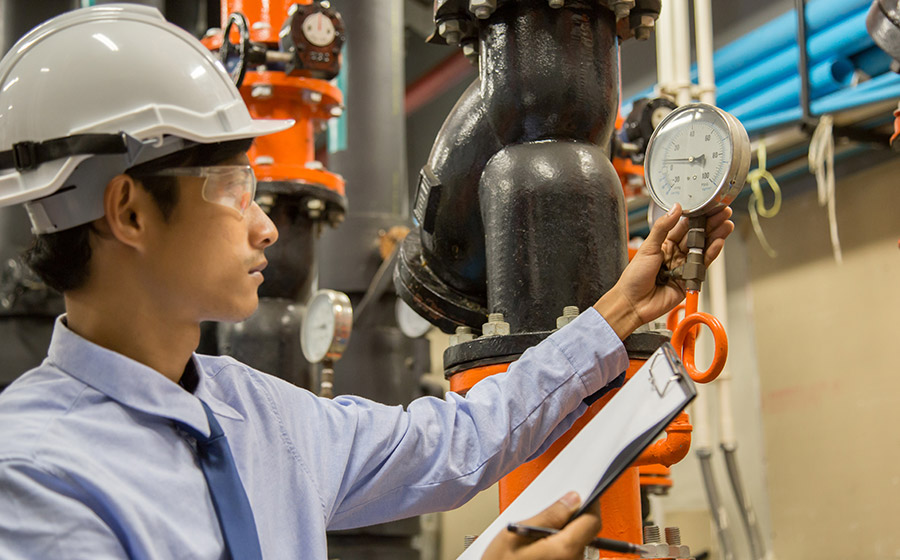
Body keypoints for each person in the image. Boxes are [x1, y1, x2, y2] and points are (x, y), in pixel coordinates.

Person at [0, 5, 734, 560]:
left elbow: (458, 440)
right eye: (230, 189)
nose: (265, 228)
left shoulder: (257, 414)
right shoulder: (37, 477)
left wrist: (615, 312)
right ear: (129, 211)